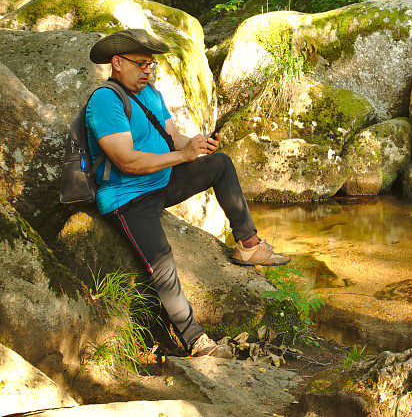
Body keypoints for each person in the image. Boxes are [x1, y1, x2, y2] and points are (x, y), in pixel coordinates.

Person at [85, 28, 290, 358]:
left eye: (151, 64)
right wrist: (181, 156)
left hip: (162, 183)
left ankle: (248, 246)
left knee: (220, 164)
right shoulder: (105, 100)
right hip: (128, 198)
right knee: (162, 262)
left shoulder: (149, 94)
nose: (149, 70)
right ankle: (196, 341)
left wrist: (195, 145)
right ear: (118, 63)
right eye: (142, 64)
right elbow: (125, 160)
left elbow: (172, 135)